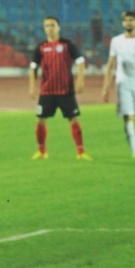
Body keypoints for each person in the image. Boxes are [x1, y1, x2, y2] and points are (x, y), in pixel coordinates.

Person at [28, 16, 91, 161]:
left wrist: (80, 80)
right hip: (47, 91)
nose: (49, 28)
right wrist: (32, 86)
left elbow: (80, 61)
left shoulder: (67, 44)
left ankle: (80, 152)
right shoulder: (41, 47)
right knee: (40, 120)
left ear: (58, 27)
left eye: (52, 25)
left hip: (65, 91)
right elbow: (33, 67)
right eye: (47, 26)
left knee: (73, 120)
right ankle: (41, 151)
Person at [102, 10, 135, 159]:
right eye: (125, 20)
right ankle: (134, 149)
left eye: (131, 20)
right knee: (127, 116)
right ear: (122, 23)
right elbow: (110, 65)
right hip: (123, 83)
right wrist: (105, 88)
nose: (128, 23)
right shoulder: (116, 41)